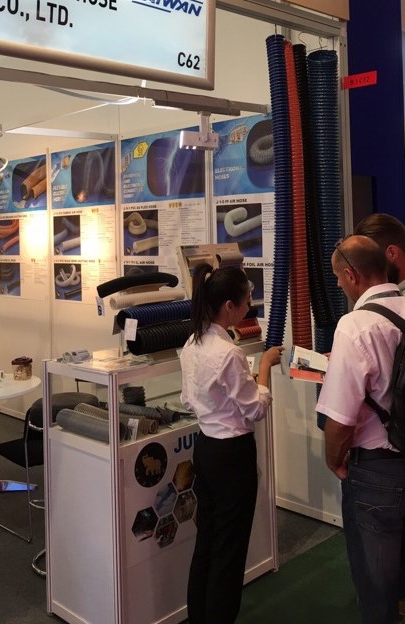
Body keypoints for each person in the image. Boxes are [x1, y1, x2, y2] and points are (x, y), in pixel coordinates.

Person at [316, 235, 405, 624]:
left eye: (339, 279)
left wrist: (334, 461)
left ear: (352, 275)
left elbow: (340, 420)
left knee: (377, 587)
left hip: (376, 472)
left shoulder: (354, 326)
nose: (340, 286)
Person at [180, 263, 282, 624]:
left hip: (205, 449)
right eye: (247, 300)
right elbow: (256, 409)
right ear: (229, 306)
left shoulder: (191, 344)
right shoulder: (229, 353)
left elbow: (188, 399)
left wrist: (241, 387)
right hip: (232, 457)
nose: (249, 305)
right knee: (230, 549)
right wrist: (265, 368)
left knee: (207, 541)